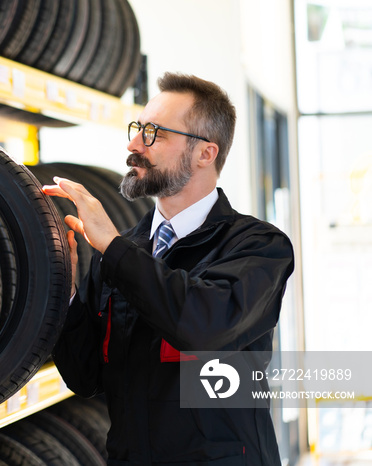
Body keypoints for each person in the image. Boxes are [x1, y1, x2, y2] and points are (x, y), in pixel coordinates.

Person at [42, 72, 295, 466]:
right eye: (137, 128)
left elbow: (200, 325)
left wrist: (113, 247)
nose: (132, 144)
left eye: (154, 133)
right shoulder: (123, 251)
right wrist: (67, 288)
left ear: (205, 154)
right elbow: (84, 376)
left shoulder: (259, 247)